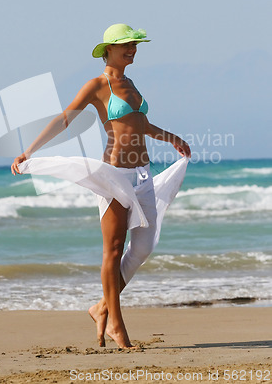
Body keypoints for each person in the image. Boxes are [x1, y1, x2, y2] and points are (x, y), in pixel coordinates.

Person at [11, 23, 191, 349]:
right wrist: (29, 151)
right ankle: (117, 327)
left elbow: (142, 124)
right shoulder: (97, 85)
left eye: (135, 45)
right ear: (108, 49)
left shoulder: (132, 84)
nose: (133, 49)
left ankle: (101, 308)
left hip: (142, 173)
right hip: (115, 174)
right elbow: (66, 118)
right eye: (126, 45)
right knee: (114, 249)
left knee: (144, 247)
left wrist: (171, 138)